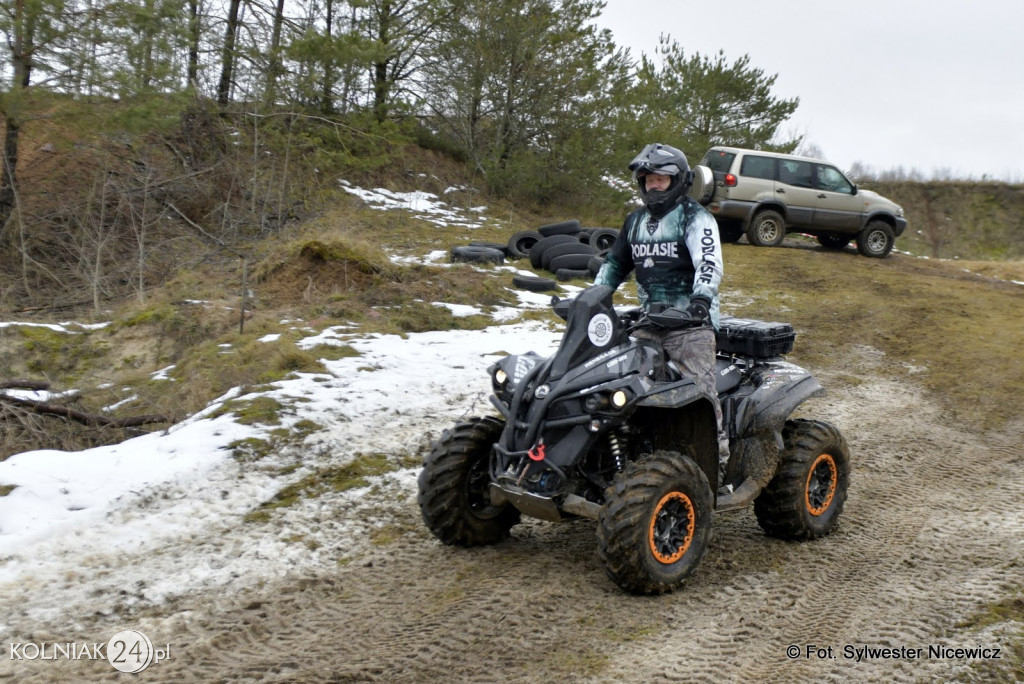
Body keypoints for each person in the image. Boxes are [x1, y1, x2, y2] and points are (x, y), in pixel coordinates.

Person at [594, 142, 729, 485]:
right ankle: (629, 457)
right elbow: (614, 265)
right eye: (647, 179)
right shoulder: (635, 221)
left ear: (679, 180)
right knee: (624, 387)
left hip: (691, 323)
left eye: (661, 179)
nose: (653, 185)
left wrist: (701, 300)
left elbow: (709, 262)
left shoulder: (695, 217)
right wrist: (593, 299)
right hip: (649, 322)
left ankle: (720, 458)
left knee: (699, 392)